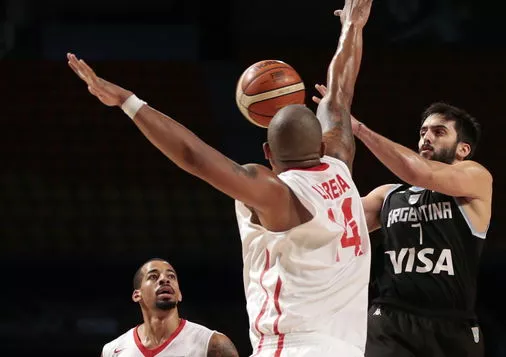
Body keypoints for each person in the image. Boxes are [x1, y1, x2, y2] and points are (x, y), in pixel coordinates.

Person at [67, 0, 374, 356]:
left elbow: (194, 157)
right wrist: (353, 27)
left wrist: (127, 101)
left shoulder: (276, 192)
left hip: (292, 346)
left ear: (267, 154)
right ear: (322, 142)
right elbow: (339, 94)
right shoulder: (339, 163)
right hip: (349, 348)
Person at [313, 87, 492, 357]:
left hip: (452, 327)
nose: (426, 138)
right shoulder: (388, 195)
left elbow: (417, 172)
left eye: (439, 132)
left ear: (463, 149)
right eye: (423, 132)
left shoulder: (476, 179)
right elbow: (330, 221)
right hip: (389, 321)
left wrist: (358, 129)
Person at [101, 258, 239, 357]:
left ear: (179, 295)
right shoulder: (112, 350)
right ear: (137, 295)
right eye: (153, 276)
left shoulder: (212, 344)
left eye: (171, 276)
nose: (164, 279)